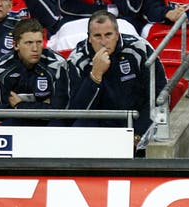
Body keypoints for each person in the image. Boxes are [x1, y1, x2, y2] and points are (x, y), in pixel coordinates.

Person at [67, 10, 167, 140]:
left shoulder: (140, 48)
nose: (103, 41)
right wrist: (95, 76)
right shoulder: (77, 60)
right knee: (78, 128)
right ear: (89, 38)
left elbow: (158, 93)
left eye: (108, 35)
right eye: (97, 36)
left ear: (117, 34)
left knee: (160, 121)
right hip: (99, 127)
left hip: (137, 121)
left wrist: (138, 133)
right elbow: (77, 111)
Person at [0, 18, 69, 125]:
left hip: (50, 125)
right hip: (17, 123)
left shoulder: (57, 64)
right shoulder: (1, 69)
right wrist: (43, 106)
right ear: (16, 45)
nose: (35, 48)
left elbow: (61, 111)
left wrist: (20, 105)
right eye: (29, 43)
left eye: (39, 42)